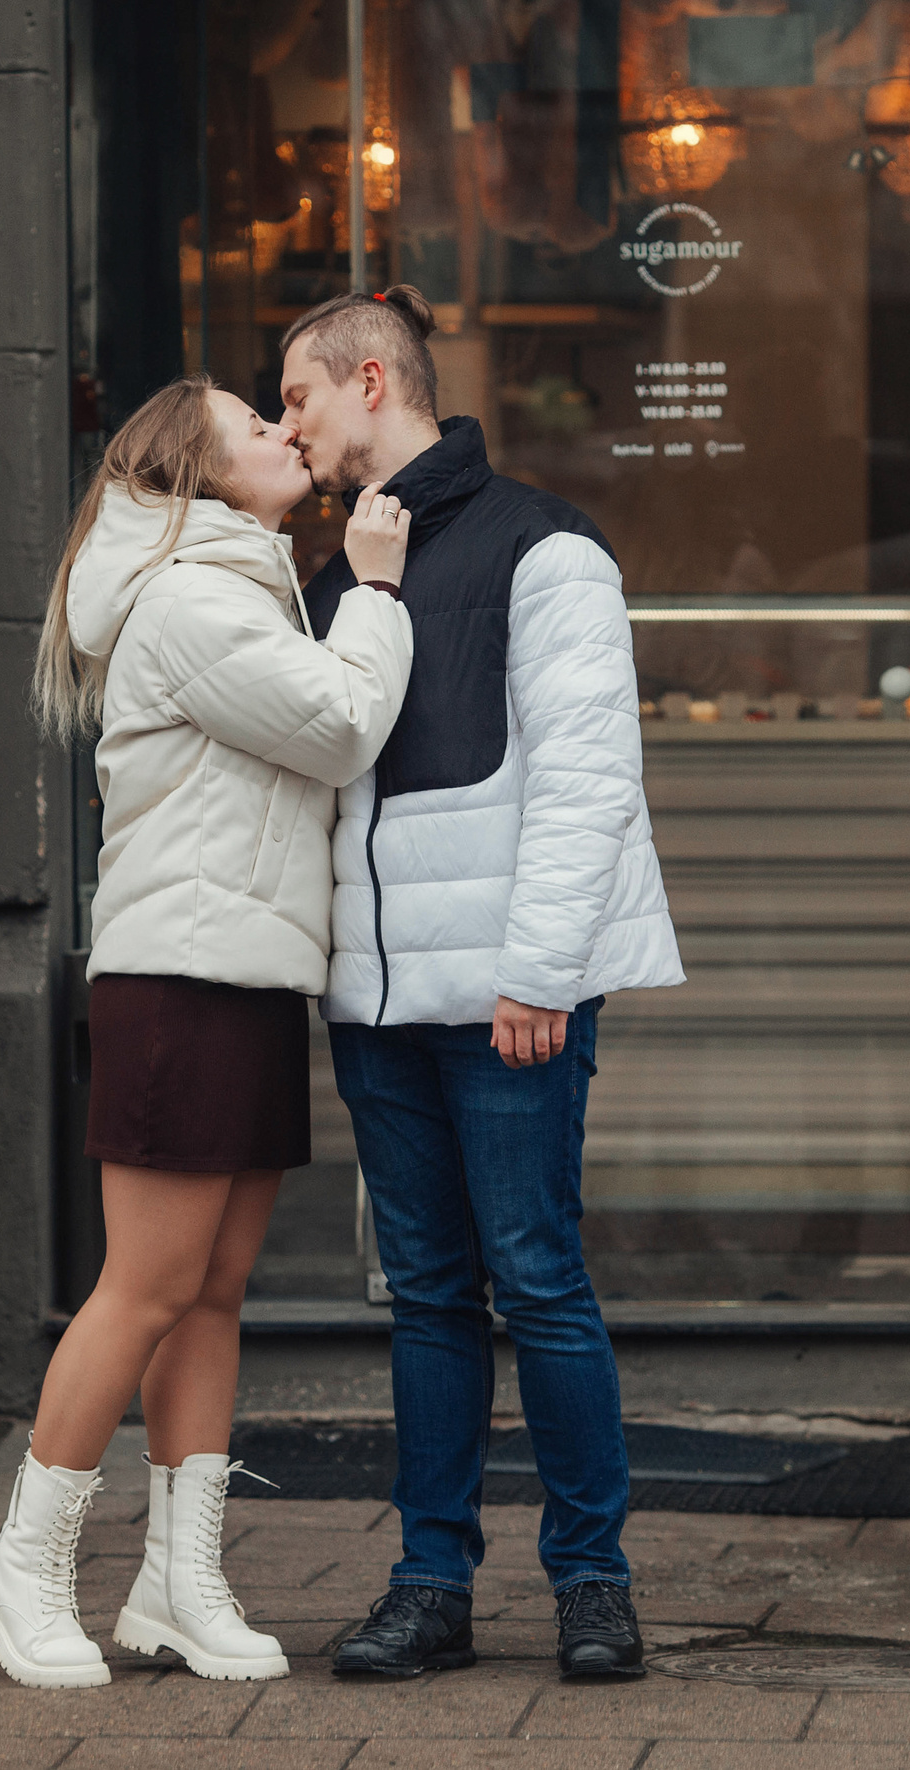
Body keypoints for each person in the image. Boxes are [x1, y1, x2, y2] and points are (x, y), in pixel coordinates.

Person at [0, 373, 415, 1689]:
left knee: (212, 1290)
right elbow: (337, 725)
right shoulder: (190, 599)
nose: (286, 435)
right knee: (146, 1286)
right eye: (255, 426)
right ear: (201, 476)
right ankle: (24, 1567)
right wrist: (375, 591)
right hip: (184, 980)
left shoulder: (241, 584)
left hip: (248, 969)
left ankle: (177, 1581)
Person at [281, 287, 685, 1681]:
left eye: (300, 399)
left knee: (538, 1278)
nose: (291, 428)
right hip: (382, 1006)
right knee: (430, 1293)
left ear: (374, 381)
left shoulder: (547, 546)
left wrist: (540, 972)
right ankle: (430, 1580)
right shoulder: (342, 576)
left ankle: (592, 1580)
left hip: (510, 995)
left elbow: (588, 779)